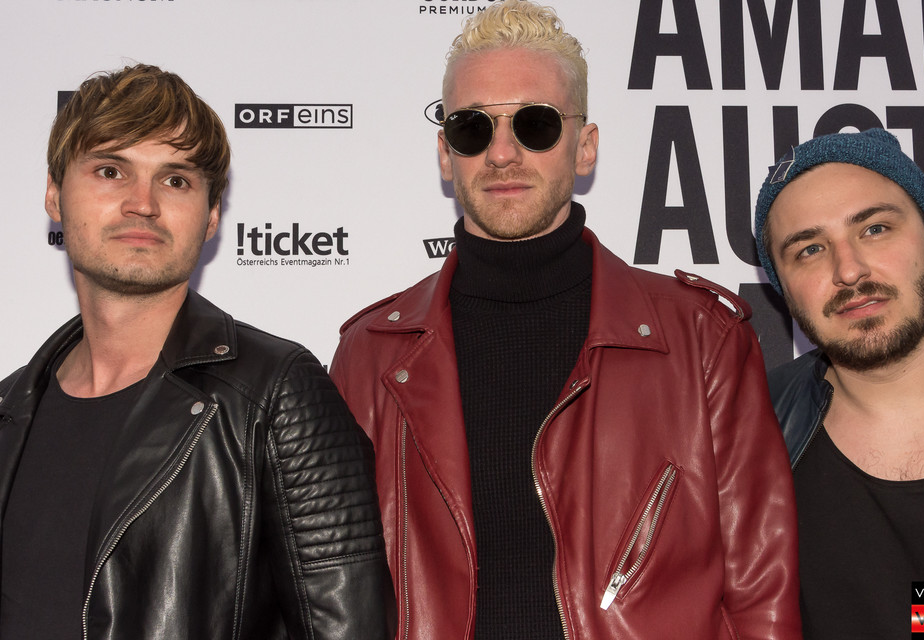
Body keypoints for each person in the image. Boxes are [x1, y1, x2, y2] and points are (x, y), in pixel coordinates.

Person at [329, 2, 800, 638]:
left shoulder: (702, 338)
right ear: (445, 153)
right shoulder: (372, 353)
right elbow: (335, 597)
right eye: (472, 128)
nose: (502, 153)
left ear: (585, 146)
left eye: (536, 124)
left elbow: (761, 595)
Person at [0, 64, 394, 639]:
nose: (143, 203)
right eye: (110, 171)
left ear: (211, 217)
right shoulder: (10, 411)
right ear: (55, 196)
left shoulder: (277, 395)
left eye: (176, 180)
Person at [754, 128, 924, 638]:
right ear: (784, 290)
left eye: (875, 229)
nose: (849, 270)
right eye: (809, 249)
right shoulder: (748, 430)